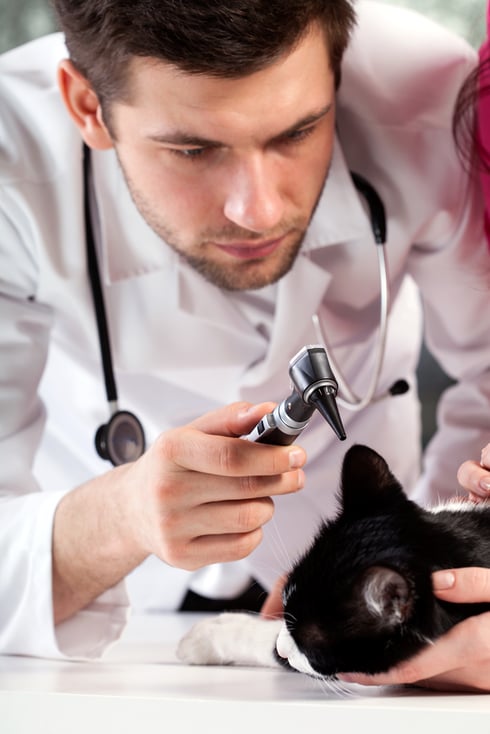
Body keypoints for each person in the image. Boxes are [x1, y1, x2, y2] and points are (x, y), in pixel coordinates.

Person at [0, 0, 488, 685]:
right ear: (87, 106)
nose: (257, 209)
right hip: (105, 630)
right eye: (193, 149)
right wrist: (122, 516)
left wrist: (442, 590)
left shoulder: (437, 96)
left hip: (371, 608)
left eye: (299, 130)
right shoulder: (8, 152)